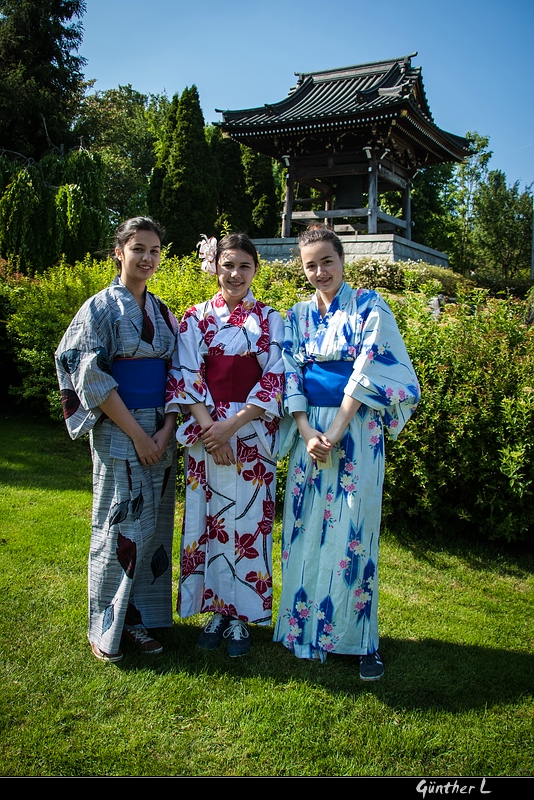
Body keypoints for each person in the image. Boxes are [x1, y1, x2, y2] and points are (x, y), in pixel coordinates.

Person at [272, 225, 420, 679]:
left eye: (327, 261)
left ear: (343, 260)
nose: (319, 272)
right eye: (310, 265)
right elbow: (290, 373)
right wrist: (303, 426)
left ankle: (359, 640)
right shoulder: (296, 316)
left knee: (354, 530)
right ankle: (304, 627)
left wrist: (335, 430)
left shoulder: (371, 306)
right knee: (304, 527)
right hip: (308, 434)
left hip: (355, 432)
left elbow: (372, 364)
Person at [55, 216, 178, 663]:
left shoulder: (164, 313)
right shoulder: (100, 308)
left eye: (154, 251)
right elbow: (87, 372)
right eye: (138, 249)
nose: (147, 258)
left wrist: (165, 430)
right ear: (119, 252)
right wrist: (138, 435)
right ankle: (106, 624)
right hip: (119, 428)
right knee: (118, 526)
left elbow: (177, 379)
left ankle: (140, 617)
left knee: (153, 529)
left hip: (161, 431)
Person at [165, 233, 284, 657]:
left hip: (249, 431)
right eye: (228, 265)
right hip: (206, 430)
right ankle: (216, 610)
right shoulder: (195, 317)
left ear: (256, 270)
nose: (235, 274)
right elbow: (185, 374)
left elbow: (276, 379)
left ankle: (242, 618)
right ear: (216, 266)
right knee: (208, 520)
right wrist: (209, 429)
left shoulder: (271, 318)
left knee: (251, 524)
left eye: (244, 266)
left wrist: (231, 426)